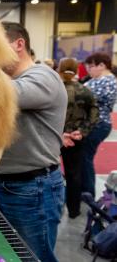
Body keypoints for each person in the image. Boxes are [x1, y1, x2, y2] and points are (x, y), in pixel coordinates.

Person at [0, 22, 67, 262]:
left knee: (33, 257)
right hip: (3, 184)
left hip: (33, 188)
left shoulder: (43, 77)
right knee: (7, 252)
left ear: (19, 44)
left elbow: (6, 95)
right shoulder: (9, 80)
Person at [58, 57, 99, 218]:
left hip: (53, 138)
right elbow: (95, 113)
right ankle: (74, 211)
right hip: (75, 138)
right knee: (74, 174)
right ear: (77, 70)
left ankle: (54, 208)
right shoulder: (86, 91)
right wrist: (82, 131)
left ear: (59, 69)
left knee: (48, 174)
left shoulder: (53, 89)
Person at [82, 52, 117, 197]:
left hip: (98, 124)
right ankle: (84, 190)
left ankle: (87, 192)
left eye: (91, 66)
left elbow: (88, 96)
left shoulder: (109, 81)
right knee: (83, 158)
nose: (88, 70)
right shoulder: (97, 80)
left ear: (102, 65)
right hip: (92, 123)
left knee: (85, 158)